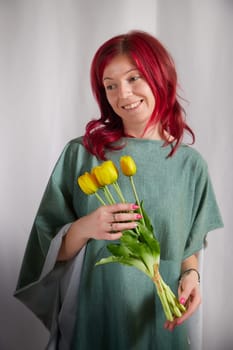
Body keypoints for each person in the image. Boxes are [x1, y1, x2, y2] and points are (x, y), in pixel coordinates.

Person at [14, 30, 223, 350]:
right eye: (110, 85)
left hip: (160, 321)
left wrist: (192, 276)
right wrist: (85, 227)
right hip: (93, 314)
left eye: (134, 78)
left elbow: (188, 245)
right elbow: (44, 251)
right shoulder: (82, 154)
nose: (122, 94)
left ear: (160, 76)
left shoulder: (190, 165)